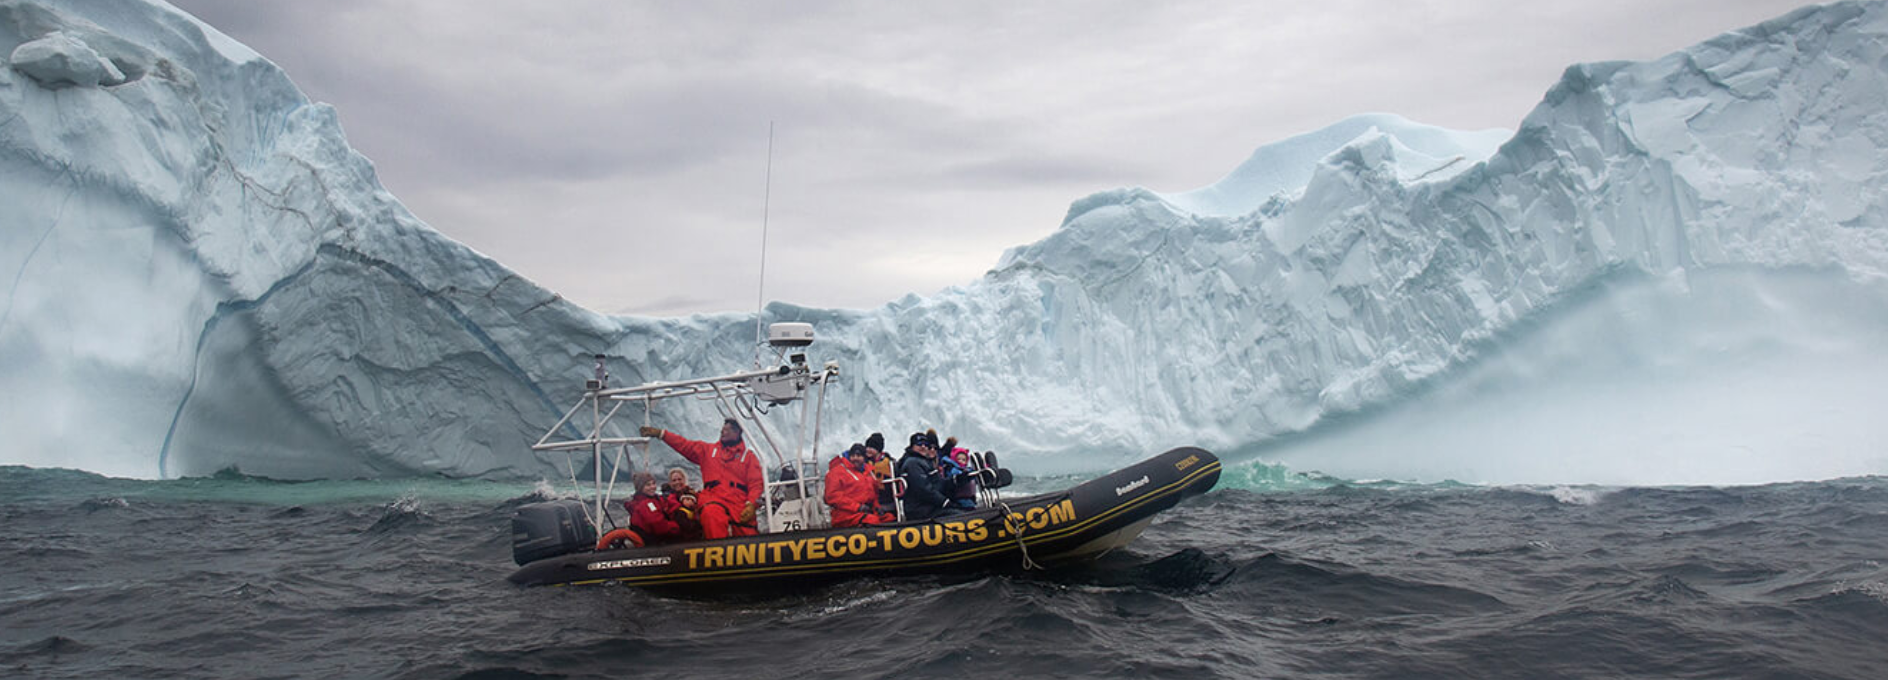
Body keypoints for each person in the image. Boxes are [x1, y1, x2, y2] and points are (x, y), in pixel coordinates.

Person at [641, 418, 764, 539]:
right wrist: (662, 434)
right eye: (722, 429)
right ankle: (717, 553)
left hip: (738, 500)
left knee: (746, 531)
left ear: (737, 432)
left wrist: (751, 504)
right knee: (711, 514)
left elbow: (756, 483)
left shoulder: (748, 457)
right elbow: (684, 445)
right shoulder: (707, 451)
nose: (723, 432)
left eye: (727, 430)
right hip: (713, 496)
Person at [825, 443, 893, 528]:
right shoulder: (837, 472)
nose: (855, 458)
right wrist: (857, 507)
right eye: (852, 455)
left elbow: (873, 495)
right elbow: (832, 497)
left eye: (859, 455)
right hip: (845, 515)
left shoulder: (868, 472)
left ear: (864, 458)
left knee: (889, 518)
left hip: (864, 512)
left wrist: (877, 507)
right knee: (872, 520)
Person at [897, 431, 953, 521]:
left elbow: (937, 483)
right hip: (921, 510)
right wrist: (943, 501)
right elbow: (923, 489)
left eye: (925, 444)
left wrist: (955, 481)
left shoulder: (925, 461)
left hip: (930, 507)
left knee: (958, 510)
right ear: (912, 446)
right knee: (956, 514)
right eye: (919, 444)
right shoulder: (913, 463)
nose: (923, 447)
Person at [624, 471, 684, 545]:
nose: (652, 487)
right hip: (655, 540)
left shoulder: (653, 499)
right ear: (640, 488)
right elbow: (659, 525)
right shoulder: (647, 504)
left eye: (653, 483)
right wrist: (678, 527)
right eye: (648, 485)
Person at [864, 432, 894, 511]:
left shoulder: (889, 462)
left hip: (886, 496)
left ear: (878, 450)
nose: (868, 450)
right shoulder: (864, 462)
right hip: (872, 496)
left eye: (872, 448)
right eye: (867, 447)